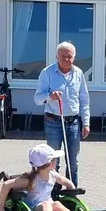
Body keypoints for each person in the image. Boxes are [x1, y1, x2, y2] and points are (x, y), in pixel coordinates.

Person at [0, 144, 91, 211]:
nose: (57, 160)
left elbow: (69, 184)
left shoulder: (53, 175)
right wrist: (1, 206)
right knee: (46, 204)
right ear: (49, 163)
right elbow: (6, 184)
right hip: (32, 209)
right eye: (55, 159)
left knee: (57, 204)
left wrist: (73, 197)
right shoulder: (31, 179)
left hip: (48, 205)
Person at [35, 42, 91, 183]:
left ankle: (72, 192)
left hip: (73, 122)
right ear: (57, 57)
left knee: (73, 162)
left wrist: (86, 123)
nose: (66, 59)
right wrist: (50, 96)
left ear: (74, 57)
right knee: (53, 161)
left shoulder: (78, 73)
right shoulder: (47, 73)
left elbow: (84, 99)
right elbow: (37, 99)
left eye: (69, 56)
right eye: (63, 56)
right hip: (53, 121)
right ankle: (53, 193)